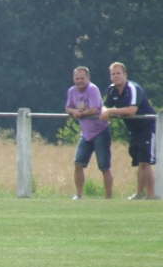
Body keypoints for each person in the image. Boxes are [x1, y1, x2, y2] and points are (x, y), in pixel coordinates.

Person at [101, 62, 156, 200]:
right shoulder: (111, 90)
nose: (116, 76)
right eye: (113, 74)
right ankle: (139, 193)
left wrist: (111, 111)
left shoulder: (133, 88)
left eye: (118, 73)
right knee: (139, 162)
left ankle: (151, 195)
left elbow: (132, 110)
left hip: (147, 126)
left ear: (125, 74)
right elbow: (104, 107)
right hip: (134, 129)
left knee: (145, 161)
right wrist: (105, 111)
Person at [65, 66, 113, 199]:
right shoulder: (72, 91)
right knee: (78, 163)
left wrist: (81, 113)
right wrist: (73, 111)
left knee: (104, 166)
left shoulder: (92, 89)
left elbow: (95, 109)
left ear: (88, 78)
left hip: (100, 131)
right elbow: (68, 107)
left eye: (82, 78)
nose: (79, 81)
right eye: (77, 78)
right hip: (86, 134)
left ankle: (108, 197)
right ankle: (79, 195)